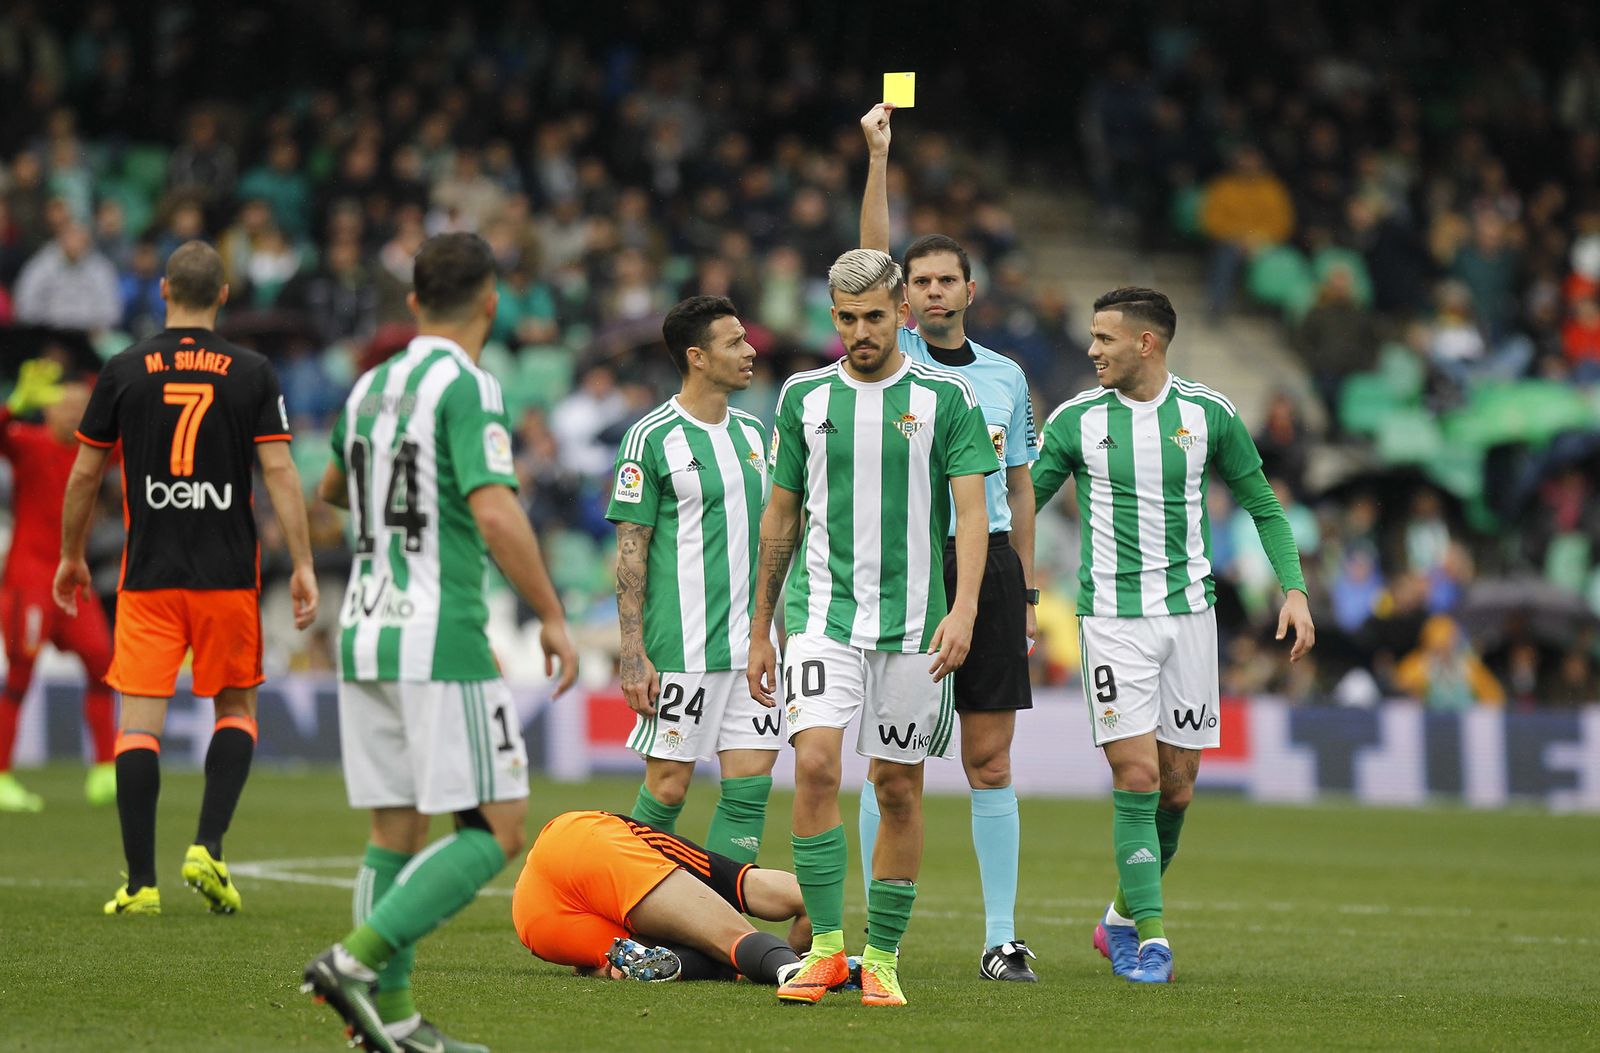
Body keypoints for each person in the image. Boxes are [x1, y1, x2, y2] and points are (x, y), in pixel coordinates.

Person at [301, 232, 579, 1053]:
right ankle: (354, 963)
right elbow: (494, 508)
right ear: (491, 303)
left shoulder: (368, 387)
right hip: (437, 628)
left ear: (414, 301)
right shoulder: (469, 385)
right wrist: (552, 616)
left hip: (366, 626)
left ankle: (389, 1021)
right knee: (498, 824)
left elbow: (329, 490)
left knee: (396, 829)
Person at [1030, 287, 1315, 984]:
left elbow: (1265, 508)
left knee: (1178, 789)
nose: (1092, 349)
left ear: (1146, 344)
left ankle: (1118, 917)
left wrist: (1295, 589)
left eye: (1104, 337)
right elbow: (1017, 510)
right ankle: (1151, 939)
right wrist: (1020, 595)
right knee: (1136, 775)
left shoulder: (1208, 415)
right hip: (1113, 622)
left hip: (1191, 620)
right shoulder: (1076, 420)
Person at [748, 248, 998, 1008]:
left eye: (875, 317)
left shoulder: (947, 397)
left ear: (902, 312)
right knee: (817, 764)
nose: (861, 331)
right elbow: (781, 515)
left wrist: (965, 610)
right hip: (821, 615)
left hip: (917, 624)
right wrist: (761, 625)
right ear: (834, 316)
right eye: (848, 318)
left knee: (896, 786)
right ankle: (825, 947)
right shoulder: (802, 398)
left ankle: (881, 956)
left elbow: (973, 512)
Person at [53, 241, 319, 916]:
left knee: (137, 726)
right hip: (227, 573)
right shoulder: (253, 371)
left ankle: (140, 884)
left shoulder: (124, 367)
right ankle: (207, 845)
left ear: (165, 289)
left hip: (149, 576)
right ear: (224, 295)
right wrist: (305, 561)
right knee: (235, 709)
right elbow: (282, 472)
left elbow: (85, 472)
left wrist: (71, 554)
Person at [857, 103, 1042, 982]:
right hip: (908, 560)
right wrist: (879, 159)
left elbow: (1018, 486)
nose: (930, 292)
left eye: (944, 282)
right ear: (902, 300)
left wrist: (1029, 590)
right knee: (892, 758)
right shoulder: (894, 358)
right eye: (917, 282)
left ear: (971, 292)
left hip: (993, 565)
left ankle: (1000, 937)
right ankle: (862, 932)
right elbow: (868, 260)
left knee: (990, 756)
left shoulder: (1007, 377)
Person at [610, 295, 780, 864]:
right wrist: (632, 651)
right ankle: (630, 914)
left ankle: (722, 923)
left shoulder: (757, 434)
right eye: (734, 342)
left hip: (752, 646)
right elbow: (631, 550)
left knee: (751, 786)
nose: (750, 350)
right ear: (697, 357)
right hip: (680, 645)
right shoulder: (652, 437)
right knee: (668, 788)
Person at [0, 359, 116, 811]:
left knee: (103, 663)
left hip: (72, 581)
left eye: (80, 408)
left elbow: (144, 438)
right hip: (30, 580)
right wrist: (11, 407)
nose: (72, 415)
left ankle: (106, 770)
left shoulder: (95, 451)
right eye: (65, 406)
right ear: (46, 412)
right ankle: (3, 775)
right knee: (20, 674)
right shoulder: (26, 444)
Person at [512, 809, 808, 986]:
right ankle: (797, 970)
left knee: (640, 961)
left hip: (534, 921)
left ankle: (677, 966)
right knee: (731, 939)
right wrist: (813, 908)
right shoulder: (664, 847)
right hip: (582, 841)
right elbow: (745, 883)